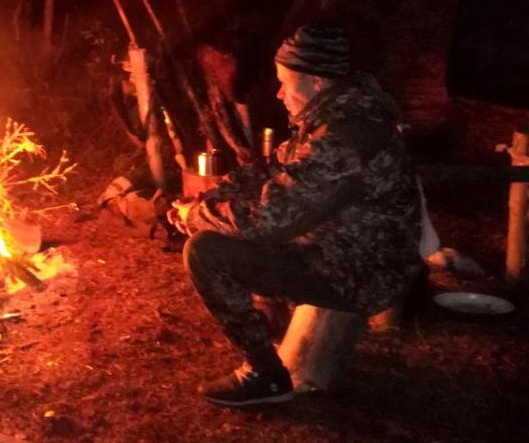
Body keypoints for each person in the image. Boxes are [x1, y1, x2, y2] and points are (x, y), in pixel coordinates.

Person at [169, 24, 421, 407]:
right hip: (346, 250)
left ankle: (266, 376)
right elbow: (272, 168)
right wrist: (214, 195)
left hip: (363, 271)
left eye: (285, 82)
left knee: (206, 252)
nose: (279, 93)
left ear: (315, 82)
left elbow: (269, 221)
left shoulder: (343, 137)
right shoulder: (336, 116)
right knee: (226, 230)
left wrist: (197, 216)